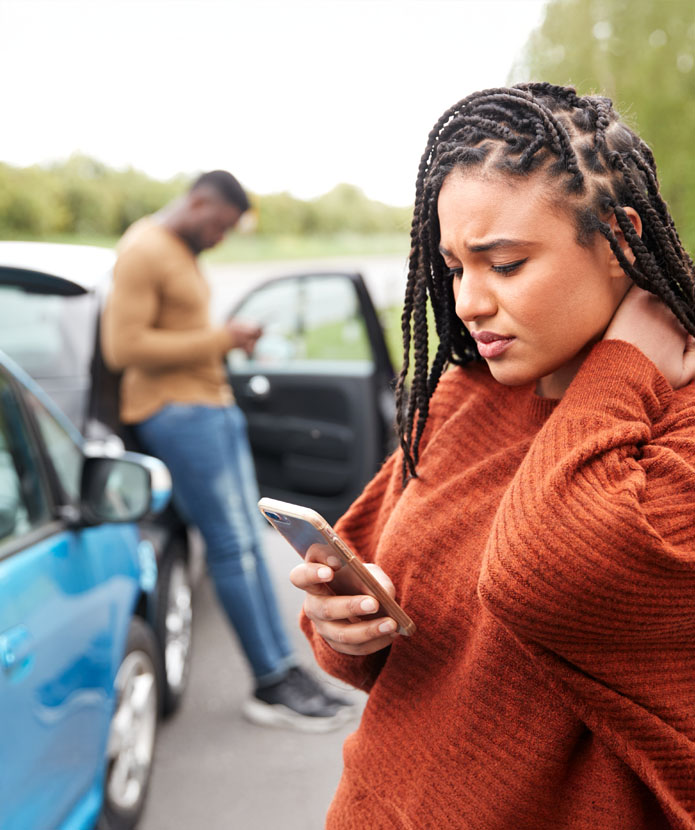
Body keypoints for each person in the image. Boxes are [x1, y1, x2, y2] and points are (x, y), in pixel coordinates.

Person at [290, 84, 695, 828]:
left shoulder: (682, 433)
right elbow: (383, 627)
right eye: (453, 267)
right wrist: (344, 625)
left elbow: (545, 575)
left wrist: (618, 372)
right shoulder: (466, 395)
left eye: (503, 264)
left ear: (618, 238)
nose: (469, 302)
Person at [101, 170, 353, 731]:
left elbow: (173, 331)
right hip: (177, 413)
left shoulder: (179, 249)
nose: (219, 238)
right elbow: (123, 347)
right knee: (232, 548)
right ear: (198, 202)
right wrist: (222, 339)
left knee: (248, 543)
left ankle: (287, 670)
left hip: (210, 409)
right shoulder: (144, 249)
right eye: (217, 225)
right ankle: (270, 683)